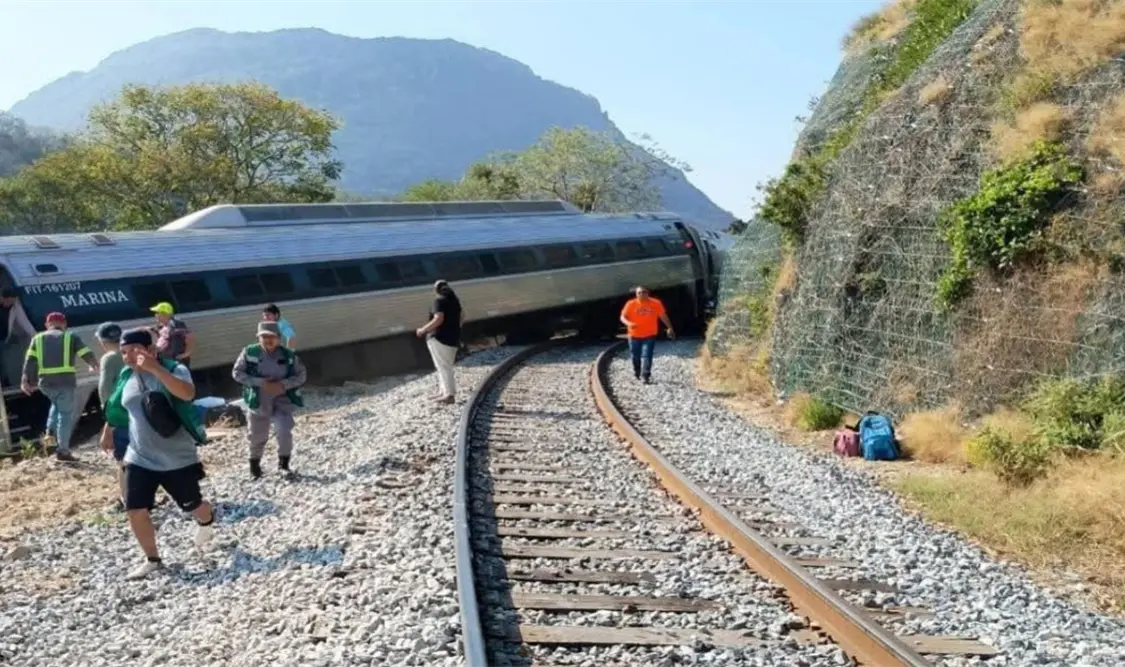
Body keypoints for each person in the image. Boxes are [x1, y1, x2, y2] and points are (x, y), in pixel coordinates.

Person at [99, 327, 215, 580]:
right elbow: (121, 405)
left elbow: (187, 393)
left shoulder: (175, 369)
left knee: (194, 505)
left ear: (150, 349)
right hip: (139, 456)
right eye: (123, 352)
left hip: (176, 457)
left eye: (134, 351)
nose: (128, 357)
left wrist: (155, 369)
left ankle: (206, 520)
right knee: (135, 509)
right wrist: (108, 428)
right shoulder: (125, 374)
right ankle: (152, 559)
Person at [232, 321, 308, 480]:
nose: (268, 340)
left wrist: (283, 384)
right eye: (264, 337)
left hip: (282, 399)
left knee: (284, 431)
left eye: (271, 337)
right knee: (257, 435)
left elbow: (301, 375)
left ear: (279, 338)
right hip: (258, 399)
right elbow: (237, 373)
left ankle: (284, 466)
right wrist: (260, 383)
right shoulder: (249, 352)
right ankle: (255, 468)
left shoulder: (289, 355)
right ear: (258, 338)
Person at [20, 312, 99, 461]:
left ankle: (50, 431)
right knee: (65, 416)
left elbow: (30, 361)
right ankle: (63, 451)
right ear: (64, 324)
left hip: (46, 384)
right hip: (65, 382)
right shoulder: (71, 337)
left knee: (56, 405)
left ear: (47, 325)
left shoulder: (37, 339)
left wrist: (25, 380)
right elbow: (85, 352)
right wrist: (93, 363)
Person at [95, 322, 128, 508]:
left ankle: (127, 500)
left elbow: (105, 390)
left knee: (124, 460)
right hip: (137, 412)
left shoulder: (109, 358)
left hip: (120, 415)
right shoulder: (130, 353)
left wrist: (108, 421)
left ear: (102, 341)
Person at [415, 279, 463, 404]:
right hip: (453, 339)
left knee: (444, 367)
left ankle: (449, 395)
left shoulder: (439, 301)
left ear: (436, 290)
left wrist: (423, 330)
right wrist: (455, 329)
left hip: (439, 338)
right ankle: (443, 391)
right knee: (443, 366)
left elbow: (438, 318)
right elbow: (462, 317)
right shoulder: (455, 302)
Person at [619, 286, 675, 384]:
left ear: (648, 293)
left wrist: (670, 327)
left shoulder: (655, 303)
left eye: (644, 292)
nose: (641, 294)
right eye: (639, 292)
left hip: (650, 334)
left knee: (647, 355)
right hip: (634, 335)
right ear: (636, 294)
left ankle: (645, 375)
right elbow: (623, 317)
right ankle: (637, 372)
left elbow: (663, 316)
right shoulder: (630, 304)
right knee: (635, 356)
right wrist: (629, 324)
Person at [0, 287, 36, 387]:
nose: (11, 303)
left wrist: (35, 336)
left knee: (2, 364)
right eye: (9, 301)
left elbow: (24, 321)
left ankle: (4, 385)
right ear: (3, 298)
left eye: (13, 301)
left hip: (2, 339)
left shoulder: (14, 306)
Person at [150, 302, 195, 368]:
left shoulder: (175, 324)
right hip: (166, 360)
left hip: (176, 362)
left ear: (165, 314)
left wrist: (185, 354)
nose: (155, 315)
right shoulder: (162, 326)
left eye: (157, 313)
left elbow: (190, 336)